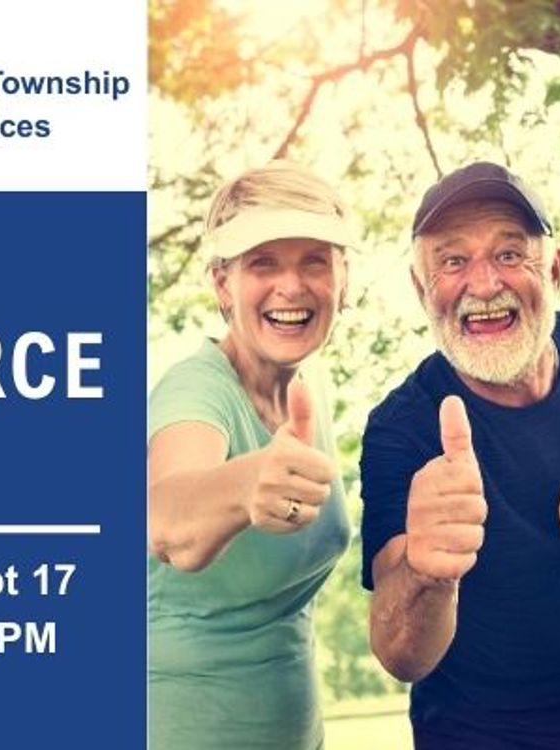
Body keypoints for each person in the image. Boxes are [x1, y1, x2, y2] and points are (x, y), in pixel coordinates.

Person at [360, 161, 560, 749]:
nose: (484, 284)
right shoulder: (401, 425)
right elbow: (398, 653)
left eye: (510, 254)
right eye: (453, 261)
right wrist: (427, 571)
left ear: (556, 269)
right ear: (421, 289)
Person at [147, 160, 355, 750]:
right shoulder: (195, 390)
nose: (291, 286)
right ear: (221, 284)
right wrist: (243, 486)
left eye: (314, 259)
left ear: (343, 279)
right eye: (263, 263)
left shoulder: (310, 387)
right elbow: (167, 518)